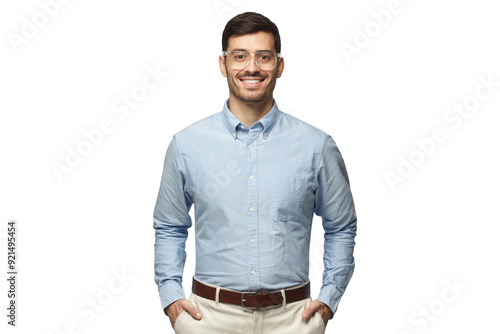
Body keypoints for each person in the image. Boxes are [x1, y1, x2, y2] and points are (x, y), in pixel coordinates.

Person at [153, 11, 357, 334]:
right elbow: (168, 225)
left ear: (279, 66)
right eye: (239, 56)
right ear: (223, 65)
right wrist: (171, 296)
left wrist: (329, 299)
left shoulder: (316, 146)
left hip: (293, 321)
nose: (251, 67)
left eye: (264, 56)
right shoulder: (186, 145)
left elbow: (342, 225)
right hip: (208, 320)